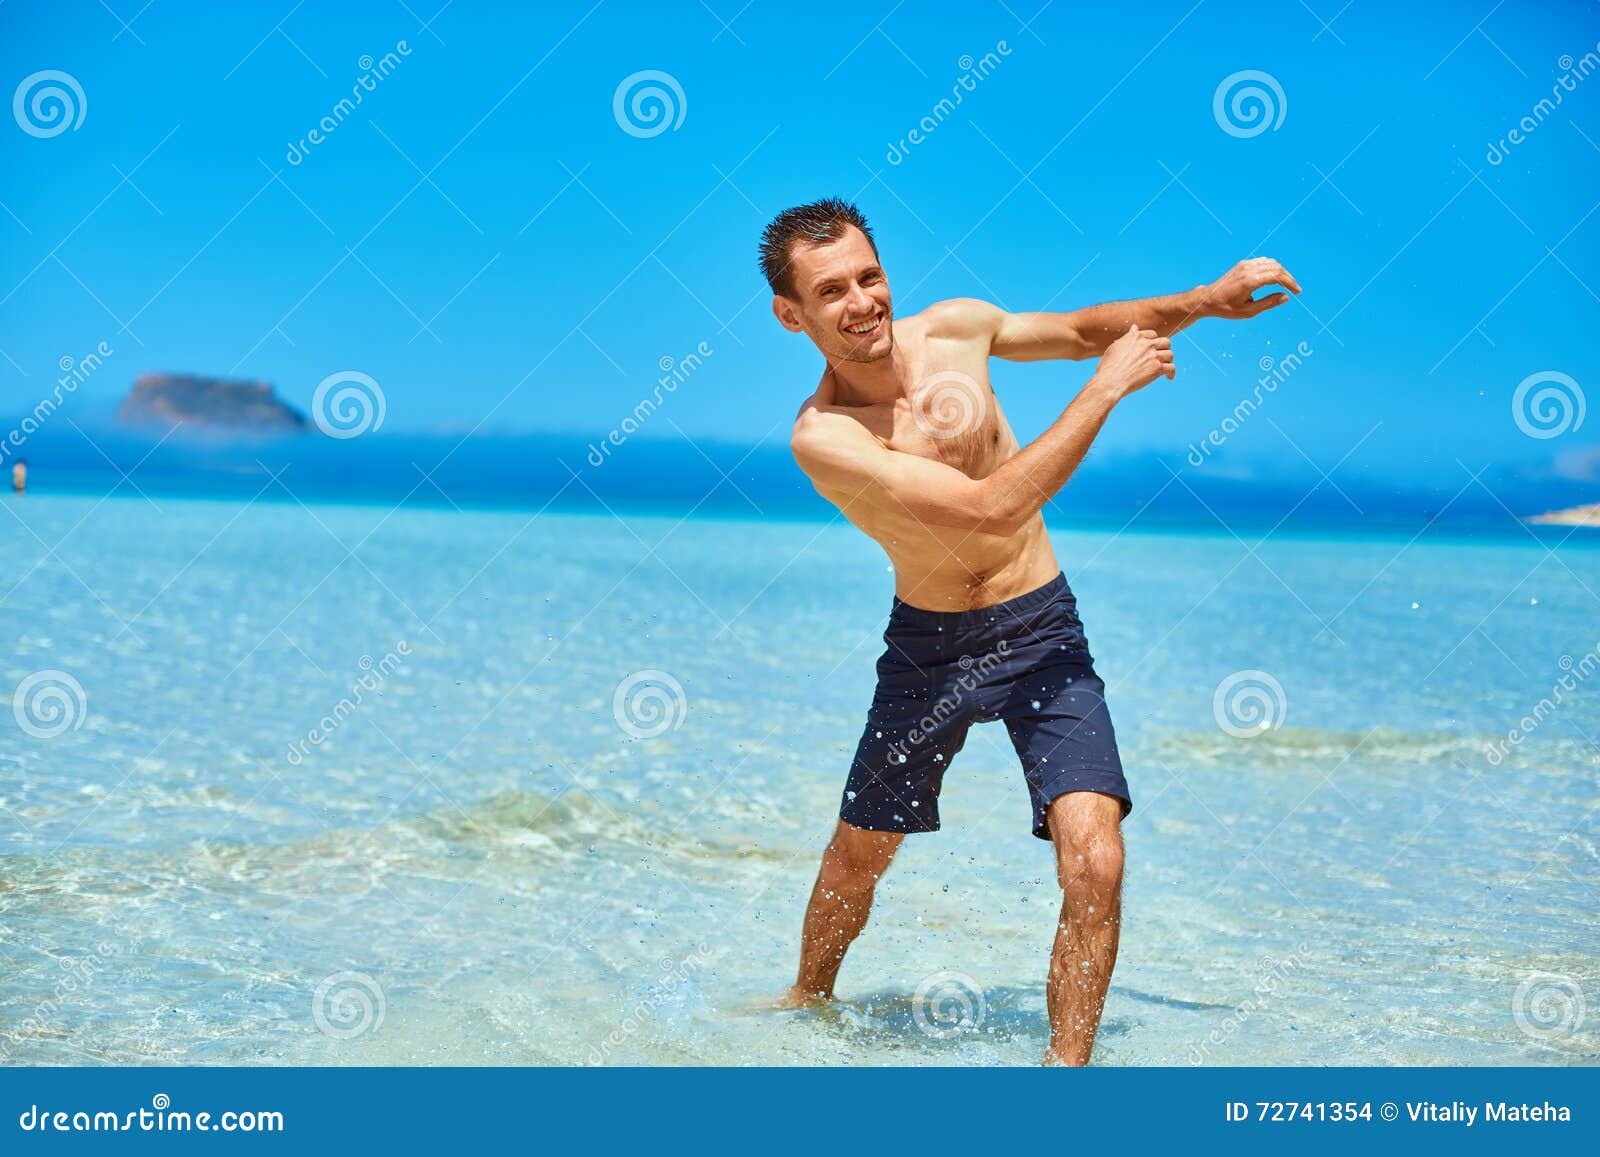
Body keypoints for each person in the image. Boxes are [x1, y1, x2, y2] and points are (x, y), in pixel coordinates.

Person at [763, 198, 1300, 1065]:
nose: (862, 300)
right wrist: (1108, 388)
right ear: (793, 314)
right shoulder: (825, 438)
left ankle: (1066, 1074)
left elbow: (1087, 329)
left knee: (1097, 856)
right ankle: (806, 998)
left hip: (1041, 624)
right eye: (832, 291)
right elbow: (990, 508)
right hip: (928, 651)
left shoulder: (958, 330)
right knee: (859, 860)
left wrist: (1205, 300)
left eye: (870, 275)